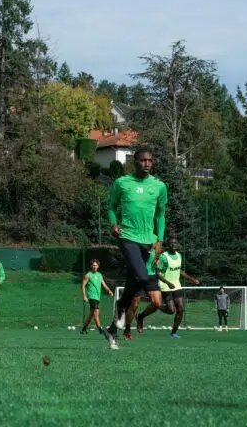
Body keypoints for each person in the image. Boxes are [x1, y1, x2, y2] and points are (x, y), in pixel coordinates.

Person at [104, 148, 167, 351]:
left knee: (134, 280)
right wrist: (114, 224)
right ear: (135, 162)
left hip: (148, 241)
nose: (147, 163)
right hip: (127, 237)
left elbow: (161, 215)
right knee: (141, 277)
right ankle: (121, 308)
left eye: (150, 160)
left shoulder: (159, 186)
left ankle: (113, 328)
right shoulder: (122, 183)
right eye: (143, 160)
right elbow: (112, 207)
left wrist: (159, 240)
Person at [144, 236, 201, 338]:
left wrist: (191, 279)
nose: (174, 245)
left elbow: (179, 271)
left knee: (181, 309)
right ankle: (158, 306)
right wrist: (168, 283)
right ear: (168, 246)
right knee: (171, 310)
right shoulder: (163, 257)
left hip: (176, 285)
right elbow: (157, 274)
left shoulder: (179, 255)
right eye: (172, 243)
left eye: (176, 243)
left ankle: (173, 333)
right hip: (165, 285)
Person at [80, 259, 113, 336]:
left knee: (92, 314)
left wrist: (109, 290)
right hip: (91, 296)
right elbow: (83, 286)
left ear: (98, 266)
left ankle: (84, 329)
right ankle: (100, 329)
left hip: (97, 297)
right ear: (91, 266)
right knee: (96, 312)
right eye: (93, 265)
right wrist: (84, 296)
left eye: (96, 265)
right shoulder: (88, 275)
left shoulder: (99, 275)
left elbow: (104, 284)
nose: (94, 266)